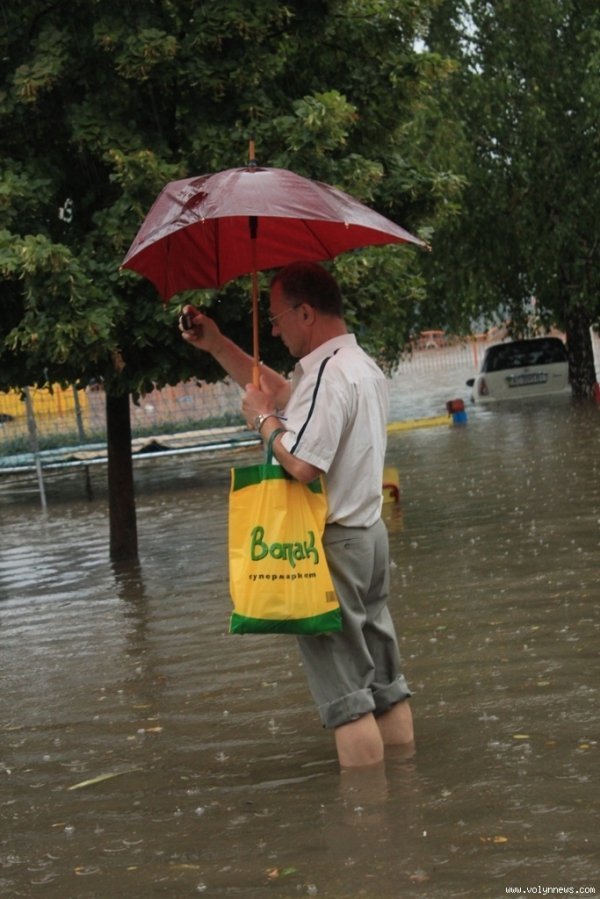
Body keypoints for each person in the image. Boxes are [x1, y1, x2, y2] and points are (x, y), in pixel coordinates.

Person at [180, 261, 414, 768]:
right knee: (385, 684)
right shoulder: (358, 365)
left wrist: (262, 423)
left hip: (332, 546)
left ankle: (371, 822)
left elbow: (303, 464)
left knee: (347, 698)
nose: (275, 327)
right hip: (369, 537)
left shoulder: (330, 376)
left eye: (278, 315)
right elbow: (288, 397)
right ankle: (405, 790)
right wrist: (219, 345)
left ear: (306, 312)